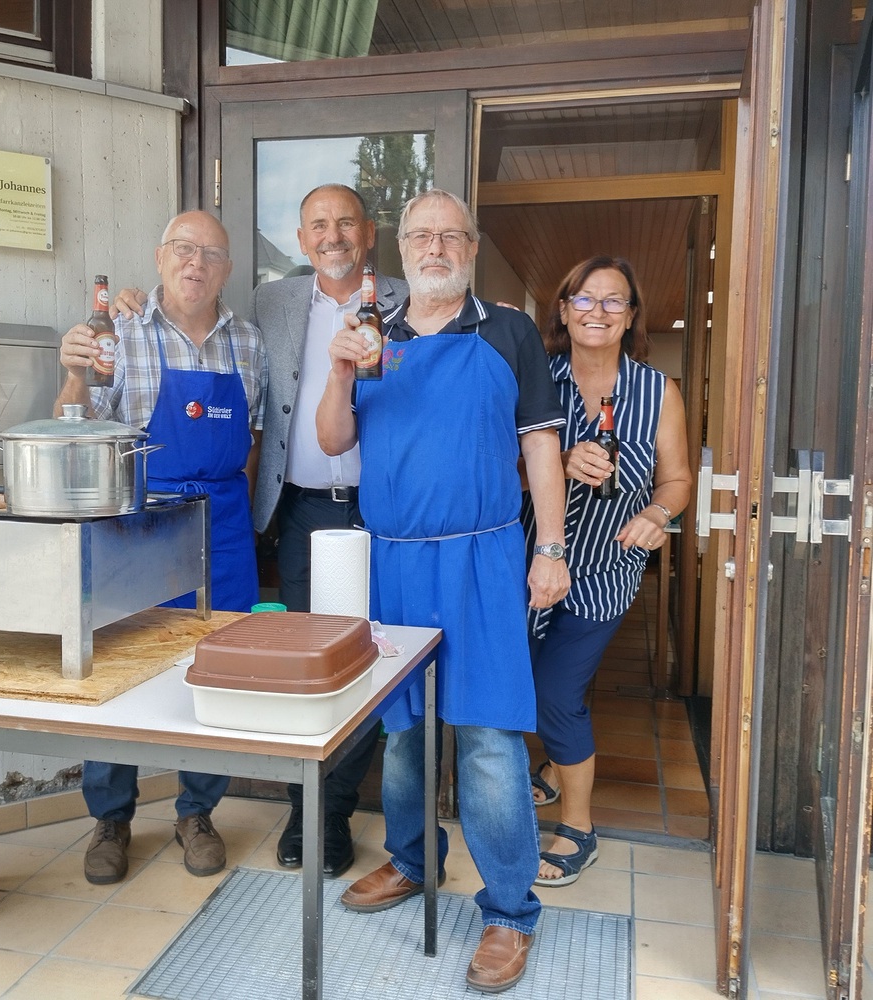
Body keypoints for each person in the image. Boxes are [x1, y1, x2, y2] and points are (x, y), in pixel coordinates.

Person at [316, 188, 570, 994]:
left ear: (471, 246)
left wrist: (551, 549)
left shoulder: (507, 331)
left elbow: (541, 446)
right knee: (403, 733)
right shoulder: (372, 336)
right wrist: (337, 370)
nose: (435, 248)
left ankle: (509, 911)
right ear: (401, 250)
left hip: (482, 559)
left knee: (489, 738)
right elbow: (333, 438)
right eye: (422, 236)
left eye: (450, 236)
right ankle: (414, 860)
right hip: (392, 564)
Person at [114, 184, 408, 878]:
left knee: (374, 659)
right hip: (297, 512)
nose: (332, 236)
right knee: (302, 667)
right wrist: (126, 304)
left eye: (345, 223)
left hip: (386, 512)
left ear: (369, 233)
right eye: (317, 226)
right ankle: (303, 811)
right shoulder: (271, 306)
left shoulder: (409, 303)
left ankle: (330, 812)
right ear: (301, 241)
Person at [55, 210, 268, 885]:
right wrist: (74, 375)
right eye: (183, 248)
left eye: (211, 253)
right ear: (159, 257)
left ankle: (197, 812)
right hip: (138, 525)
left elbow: (253, 440)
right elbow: (73, 428)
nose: (195, 263)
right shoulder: (118, 334)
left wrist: (241, 519)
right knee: (118, 665)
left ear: (227, 268)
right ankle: (111, 817)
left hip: (223, 524)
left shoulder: (249, 341)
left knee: (218, 668)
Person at [520, 254, 692, 888]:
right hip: (529, 563)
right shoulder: (535, 379)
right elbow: (494, 469)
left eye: (614, 300)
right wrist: (556, 462)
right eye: (584, 299)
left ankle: (579, 827)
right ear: (564, 312)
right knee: (525, 680)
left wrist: (656, 513)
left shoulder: (657, 392)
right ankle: (551, 768)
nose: (598, 311)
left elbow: (678, 479)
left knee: (556, 695)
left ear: (631, 315)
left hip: (607, 568)